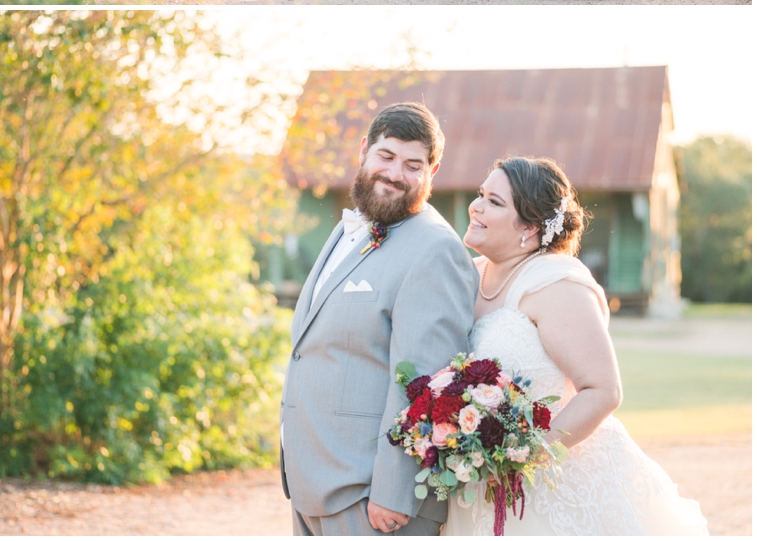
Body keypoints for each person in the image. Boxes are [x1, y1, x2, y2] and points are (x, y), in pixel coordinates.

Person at [443, 157, 708, 536]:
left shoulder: (556, 284)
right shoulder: (467, 274)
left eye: (495, 202)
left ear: (530, 228)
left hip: (547, 486)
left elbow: (602, 390)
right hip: (474, 484)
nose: (476, 206)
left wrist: (523, 458)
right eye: (481, 195)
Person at [280, 102, 478, 535]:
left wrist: (394, 491)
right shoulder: (351, 227)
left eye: (413, 165)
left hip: (371, 498)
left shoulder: (434, 249)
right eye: (386, 156)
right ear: (364, 150)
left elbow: (423, 383)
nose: (394, 174)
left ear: (433, 170)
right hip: (314, 481)